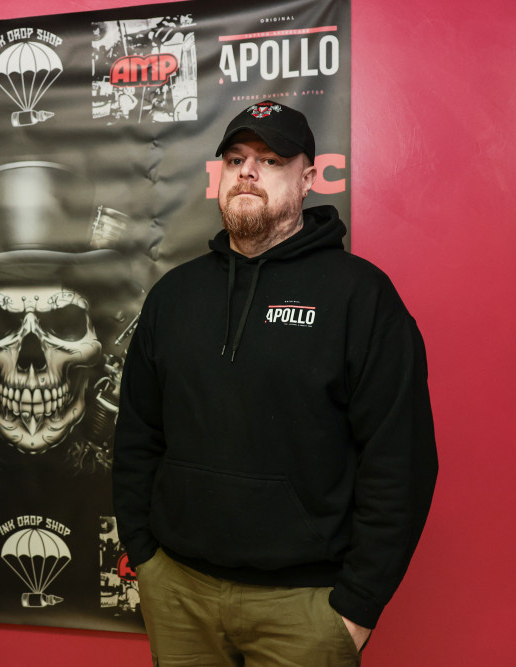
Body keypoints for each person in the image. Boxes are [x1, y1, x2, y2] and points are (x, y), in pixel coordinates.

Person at [112, 100, 437, 666]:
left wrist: (356, 608)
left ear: (308, 178)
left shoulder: (361, 298)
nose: (247, 172)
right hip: (179, 593)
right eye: (236, 158)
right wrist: (144, 555)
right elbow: (138, 435)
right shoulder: (174, 296)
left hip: (305, 608)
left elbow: (400, 462)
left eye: (271, 159)